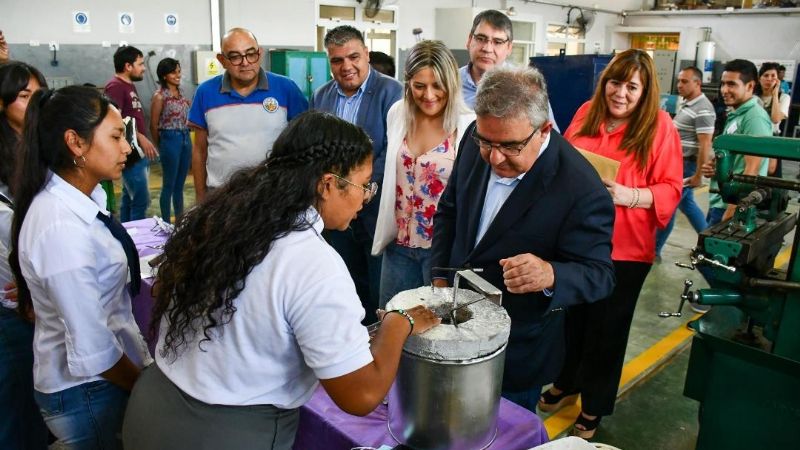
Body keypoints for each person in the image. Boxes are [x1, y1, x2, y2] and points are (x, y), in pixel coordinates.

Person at [122, 111, 440, 450]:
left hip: (152, 408)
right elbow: (360, 395)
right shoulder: (313, 263)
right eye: (364, 185)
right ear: (329, 184)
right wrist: (397, 322)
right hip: (223, 434)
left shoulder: (218, 217)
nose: (365, 198)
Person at [431, 66, 616, 413]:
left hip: (515, 350)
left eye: (510, 147)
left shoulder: (581, 189)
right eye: (487, 144)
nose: (495, 157)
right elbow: (450, 211)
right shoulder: (477, 135)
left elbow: (600, 274)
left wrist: (550, 274)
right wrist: (440, 278)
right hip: (453, 327)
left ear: (543, 129)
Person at [539, 49, 682, 438]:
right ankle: (567, 382)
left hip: (625, 249)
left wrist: (628, 195)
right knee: (571, 319)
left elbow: (671, 188)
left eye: (631, 86)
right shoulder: (587, 112)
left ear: (645, 90)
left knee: (607, 329)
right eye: (615, 83)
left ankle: (595, 404)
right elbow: (561, 158)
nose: (620, 93)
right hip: (577, 241)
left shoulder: (659, 127)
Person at [10, 85, 152, 449]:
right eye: (117, 137)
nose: (126, 148)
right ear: (76, 143)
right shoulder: (61, 228)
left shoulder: (84, 199)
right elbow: (93, 348)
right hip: (88, 391)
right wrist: (142, 388)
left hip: (99, 382)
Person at [371, 40, 474, 306]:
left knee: (435, 334)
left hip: (441, 254)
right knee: (390, 321)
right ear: (407, 84)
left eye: (438, 85)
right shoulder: (398, 114)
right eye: (419, 86)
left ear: (451, 84)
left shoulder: (468, 124)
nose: (429, 95)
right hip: (399, 247)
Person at [311, 25, 403, 323]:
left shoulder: (392, 92)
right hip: (334, 210)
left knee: (378, 284)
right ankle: (351, 336)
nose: (346, 66)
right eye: (337, 60)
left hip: (375, 206)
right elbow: (316, 148)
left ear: (366, 54)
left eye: (353, 57)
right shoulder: (321, 97)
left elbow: (393, 148)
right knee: (343, 279)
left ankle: (379, 346)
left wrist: (360, 187)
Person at [189, 27, 308, 202]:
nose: (245, 62)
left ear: (259, 53)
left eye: (250, 54)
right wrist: (200, 197)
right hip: (221, 197)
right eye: (235, 56)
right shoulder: (205, 92)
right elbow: (199, 151)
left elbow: (304, 143)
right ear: (222, 60)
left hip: (274, 195)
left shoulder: (286, 88)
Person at [0, 60, 49, 450]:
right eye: (23, 96)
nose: (34, 103)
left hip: (39, 290)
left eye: (38, 93)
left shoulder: (43, 146)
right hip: (11, 297)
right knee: (15, 397)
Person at [460, 10, 559, 131]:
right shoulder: (448, 83)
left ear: (509, 48)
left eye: (497, 42)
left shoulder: (527, 87)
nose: (487, 48)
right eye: (481, 38)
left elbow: (550, 136)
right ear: (469, 40)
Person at [655, 66, 715, 259]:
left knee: (669, 207)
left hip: (686, 165)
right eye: (679, 80)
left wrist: (698, 175)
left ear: (698, 83)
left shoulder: (703, 108)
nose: (679, 85)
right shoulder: (688, 104)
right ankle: (710, 243)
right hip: (678, 163)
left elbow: (705, 144)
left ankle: (653, 250)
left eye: (685, 81)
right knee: (686, 205)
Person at [703, 59, 772, 227]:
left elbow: (752, 169)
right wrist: (717, 168)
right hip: (720, 200)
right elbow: (735, 158)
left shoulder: (754, 118)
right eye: (723, 84)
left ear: (749, 86)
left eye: (732, 85)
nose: (724, 90)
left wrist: (734, 209)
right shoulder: (737, 114)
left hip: (731, 205)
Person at [104, 45, 158, 221]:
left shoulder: (128, 86)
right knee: (141, 200)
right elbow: (115, 119)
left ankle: (128, 234)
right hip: (131, 153)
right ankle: (137, 241)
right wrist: (141, 137)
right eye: (140, 64)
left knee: (129, 198)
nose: (143, 68)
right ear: (128, 66)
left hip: (136, 151)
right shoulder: (115, 87)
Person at [149, 57, 191, 223]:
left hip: (185, 138)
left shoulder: (182, 95)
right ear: (165, 75)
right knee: (169, 185)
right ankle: (165, 222)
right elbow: (153, 125)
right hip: (169, 138)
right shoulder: (160, 97)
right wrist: (161, 145)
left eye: (179, 71)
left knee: (180, 185)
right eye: (174, 72)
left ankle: (179, 221)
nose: (178, 75)